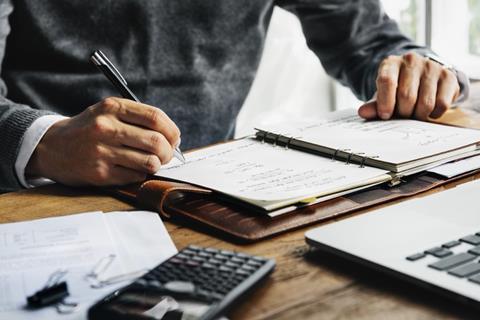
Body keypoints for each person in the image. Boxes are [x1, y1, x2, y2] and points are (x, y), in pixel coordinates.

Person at [0, 0, 468, 192]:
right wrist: (43, 141)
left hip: (201, 189)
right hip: (29, 192)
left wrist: (417, 70)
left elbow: (365, 40)